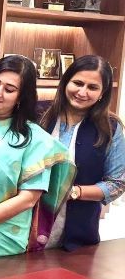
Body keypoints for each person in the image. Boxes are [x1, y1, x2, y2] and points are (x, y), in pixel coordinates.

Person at [0, 55, 73, 261]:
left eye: (9, 90)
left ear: (21, 98)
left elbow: (28, 199)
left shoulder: (35, 140)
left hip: (0, 238)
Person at [40, 55, 125, 250]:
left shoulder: (110, 128)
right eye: (77, 83)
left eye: (92, 87)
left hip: (76, 236)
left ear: (102, 93)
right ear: (65, 82)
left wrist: (74, 192)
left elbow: (117, 184)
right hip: (23, 226)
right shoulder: (38, 113)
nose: (82, 92)